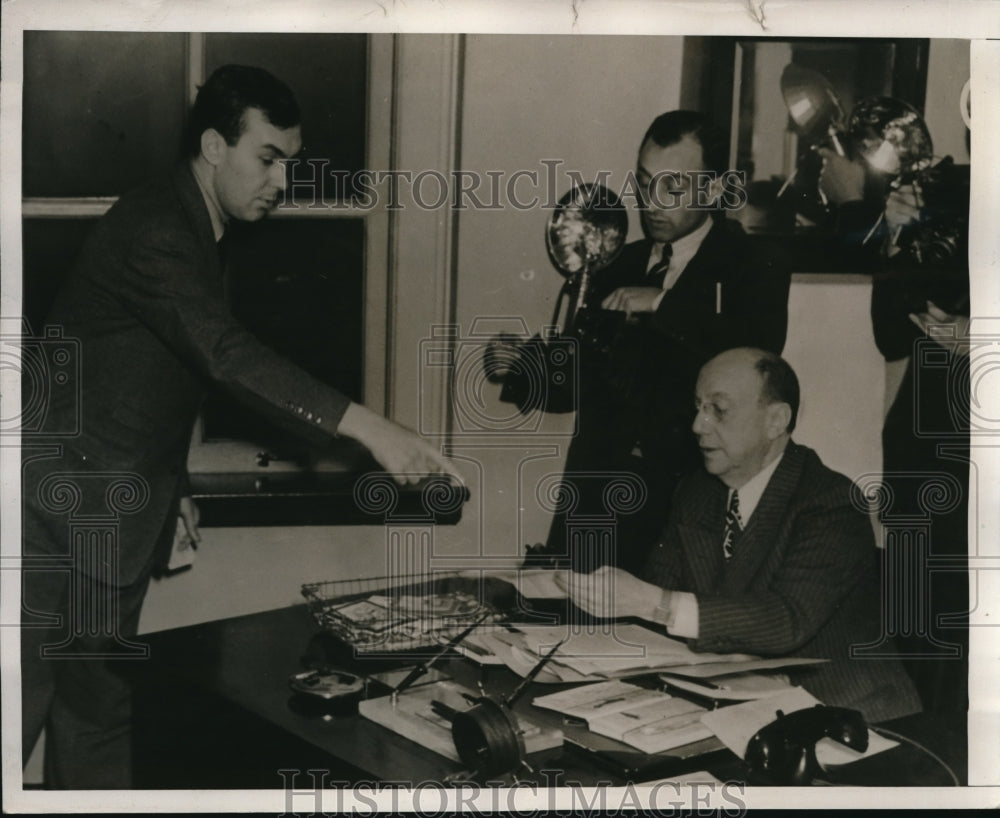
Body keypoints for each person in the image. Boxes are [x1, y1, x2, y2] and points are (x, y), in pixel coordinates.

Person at [21, 64, 459, 789]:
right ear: (215, 146)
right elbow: (224, 356)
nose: (282, 182)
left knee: (98, 708)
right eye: (268, 158)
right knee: (22, 711)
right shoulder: (158, 228)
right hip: (51, 516)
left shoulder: (194, 228)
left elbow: (134, 380)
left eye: (290, 162)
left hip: (109, 512)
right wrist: (374, 429)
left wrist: (171, 486)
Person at [557, 348, 922, 724]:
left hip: (850, 720)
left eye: (719, 409)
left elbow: (786, 619)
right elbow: (658, 591)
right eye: (698, 406)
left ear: (776, 420)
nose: (698, 425)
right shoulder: (697, 492)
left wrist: (655, 603)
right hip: (742, 710)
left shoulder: (830, 501)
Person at [538, 111, 791, 574]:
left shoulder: (754, 262)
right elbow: (569, 391)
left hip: (684, 509)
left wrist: (664, 303)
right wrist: (527, 367)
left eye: (672, 188)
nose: (652, 202)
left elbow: (759, 356)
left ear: (714, 190)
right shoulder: (615, 262)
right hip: (593, 506)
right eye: (644, 182)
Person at [819, 145, 970, 716]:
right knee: (915, 644)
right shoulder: (963, 191)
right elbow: (894, 333)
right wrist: (896, 234)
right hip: (922, 453)